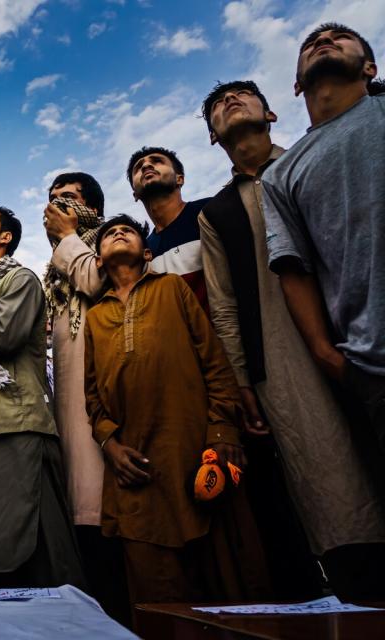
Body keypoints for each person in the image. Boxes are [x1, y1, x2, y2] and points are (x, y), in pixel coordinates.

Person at [201, 79, 385, 600]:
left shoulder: (318, 157)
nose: (228, 103)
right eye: (217, 106)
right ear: (214, 138)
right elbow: (224, 305)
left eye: (241, 96)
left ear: (273, 113)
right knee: (330, 484)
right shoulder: (217, 213)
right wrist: (242, 380)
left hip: (363, 327)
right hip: (285, 360)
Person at [84, 214, 270, 604]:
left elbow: (214, 362)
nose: (118, 234)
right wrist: (110, 445)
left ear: (147, 253)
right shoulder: (95, 316)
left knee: (228, 581)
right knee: (158, 593)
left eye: (128, 232)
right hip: (134, 465)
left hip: (193, 452)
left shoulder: (172, 288)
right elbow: (93, 395)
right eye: (109, 235)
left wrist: (221, 432)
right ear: (98, 260)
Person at [262, 24, 385, 449]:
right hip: (374, 366)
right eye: (311, 43)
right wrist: (327, 355)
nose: (322, 40)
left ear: (369, 66)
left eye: (340, 37)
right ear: (297, 85)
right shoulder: (280, 175)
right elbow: (293, 267)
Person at [0, 201, 85, 589]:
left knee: (39, 541)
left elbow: (0, 336)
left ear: (6, 236)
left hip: (16, 422)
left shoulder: (20, 279)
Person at [41, 172, 128, 621]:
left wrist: (69, 238)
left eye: (69, 198)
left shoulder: (110, 240)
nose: (57, 204)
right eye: (53, 198)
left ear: (92, 206)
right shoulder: (52, 267)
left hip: (109, 404)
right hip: (64, 408)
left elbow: (96, 283)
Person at [126, 147, 210, 309]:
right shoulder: (144, 250)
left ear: (180, 179)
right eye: (138, 167)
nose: (146, 166)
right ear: (135, 195)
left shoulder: (209, 212)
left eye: (157, 161)